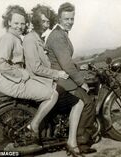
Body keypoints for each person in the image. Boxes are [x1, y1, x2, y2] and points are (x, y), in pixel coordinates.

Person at [23, 4, 85, 156]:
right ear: (35, 21)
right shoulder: (31, 39)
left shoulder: (38, 38)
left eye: (46, 21)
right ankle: (72, 141)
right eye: (42, 21)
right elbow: (36, 68)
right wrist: (57, 73)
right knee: (78, 101)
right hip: (41, 81)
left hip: (45, 80)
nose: (45, 25)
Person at [0, 5, 59, 142]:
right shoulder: (8, 39)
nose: (20, 26)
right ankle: (34, 125)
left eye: (22, 23)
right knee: (52, 95)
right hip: (11, 81)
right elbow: (0, 63)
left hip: (13, 79)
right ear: (9, 22)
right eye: (16, 23)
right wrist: (20, 74)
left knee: (49, 86)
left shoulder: (15, 38)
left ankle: (44, 126)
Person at [45, 2, 97, 153]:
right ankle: (80, 142)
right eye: (66, 19)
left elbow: (66, 59)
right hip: (61, 79)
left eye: (72, 19)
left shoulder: (61, 34)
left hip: (64, 76)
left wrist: (79, 66)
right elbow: (65, 64)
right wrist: (82, 82)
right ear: (59, 19)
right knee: (87, 102)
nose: (70, 22)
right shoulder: (57, 36)